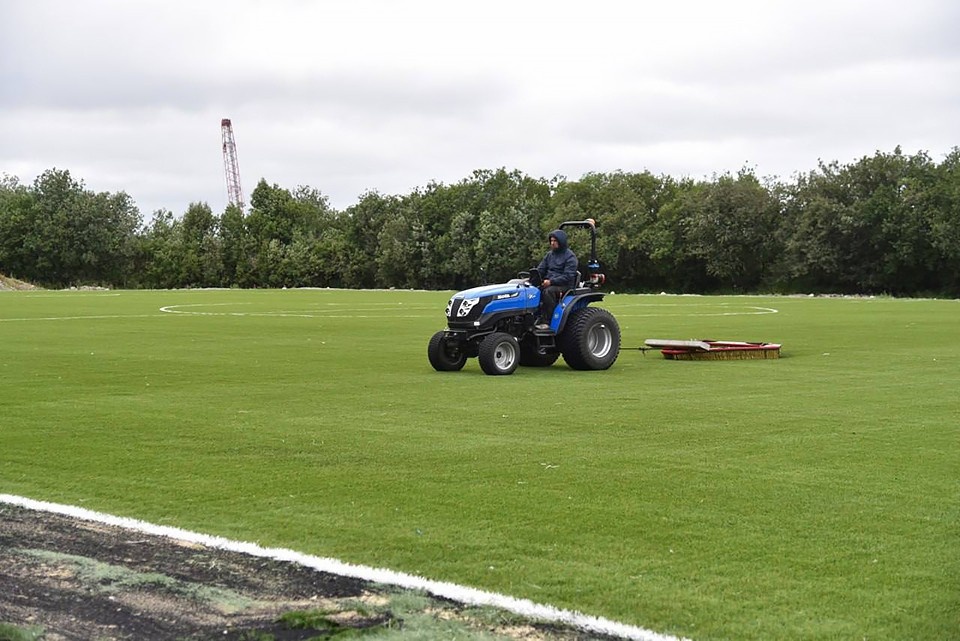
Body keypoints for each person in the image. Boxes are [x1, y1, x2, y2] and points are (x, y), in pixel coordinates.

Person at [535, 229, 578, 329]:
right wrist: (533, 277)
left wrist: (551, 281)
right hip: (549, 282)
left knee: (547, 292)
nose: (552, 243)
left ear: (561, 241)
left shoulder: (570, 257)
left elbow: (568, 276)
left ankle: (548, 321)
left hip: (564, 286)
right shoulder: (549, 255)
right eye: (551, 241)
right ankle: (533, 317)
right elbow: (541, 269)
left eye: (555, 241)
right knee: (531, 290)